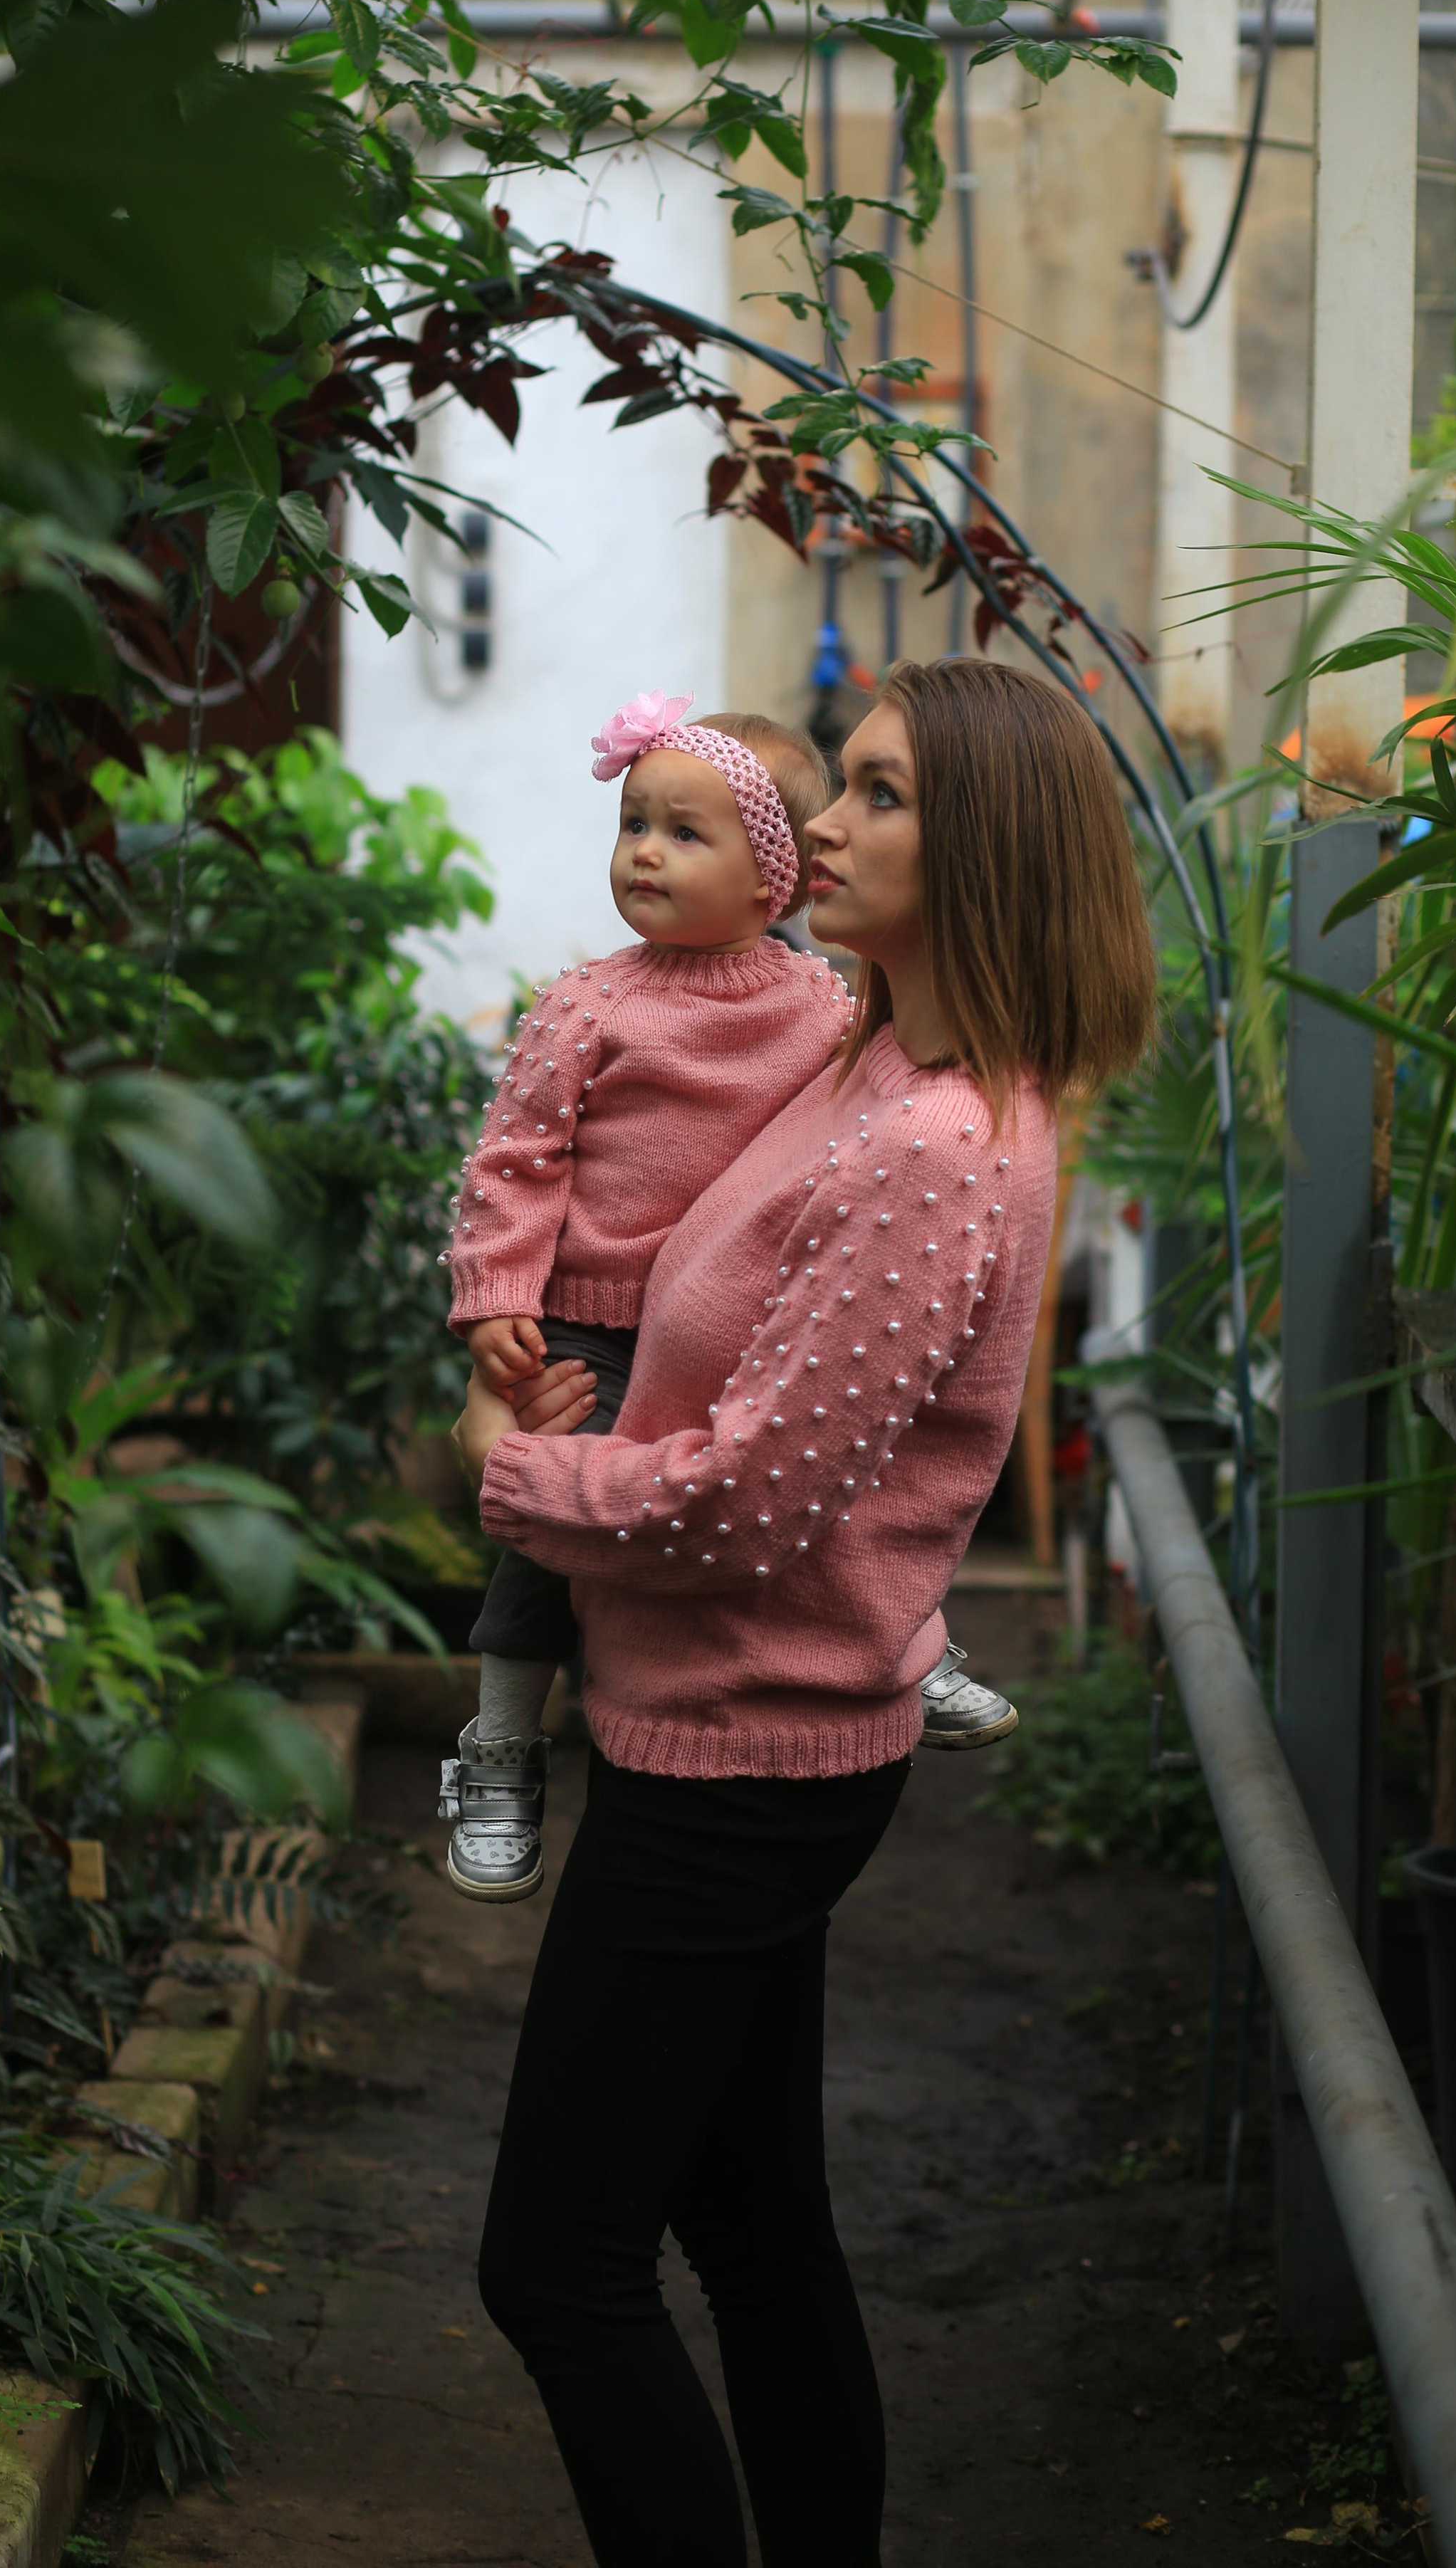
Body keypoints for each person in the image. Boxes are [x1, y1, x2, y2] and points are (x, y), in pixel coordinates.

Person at [451, 659, 1156, 2568]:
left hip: (740, 1757)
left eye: (879, 797)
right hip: (733, 1726)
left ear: (987, 853)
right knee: (753, 2236)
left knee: (557, 2269)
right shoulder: (864, 1056)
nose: (822, 827)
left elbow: (758, 1502)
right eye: (837, 788)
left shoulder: (932, 1144)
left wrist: (514, 1483)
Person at [437, 690, 1014, 1905]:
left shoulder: (824, 1008)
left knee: (843, 1445)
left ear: (773, 886)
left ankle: (909, 1645)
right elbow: (514, 1161)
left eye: (684, 833)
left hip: (743, 1312)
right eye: (634, 823)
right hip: (591, 1324)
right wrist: (496, 1293)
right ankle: (500, 1738)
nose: (644, 850)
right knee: (556, 1538)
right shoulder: (588, 1003)